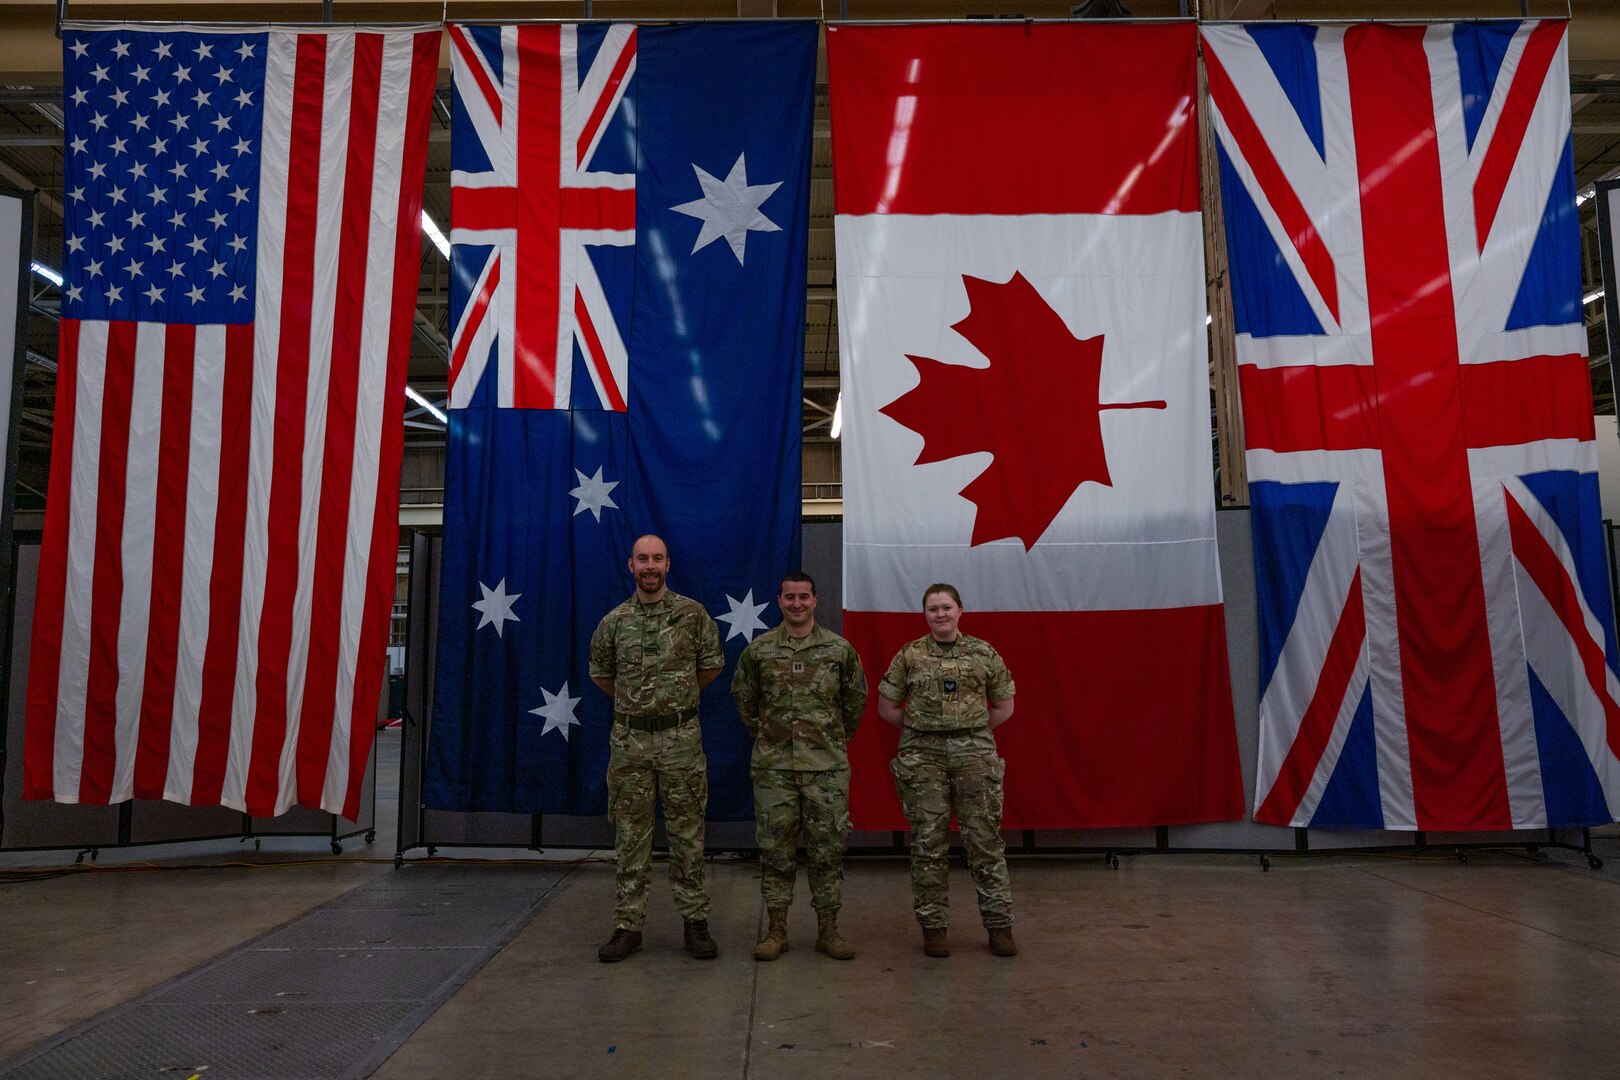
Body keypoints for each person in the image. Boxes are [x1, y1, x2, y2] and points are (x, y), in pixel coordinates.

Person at [589, 534, 725, 963]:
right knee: (631, 835)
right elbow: (602, 676)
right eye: (642, 559)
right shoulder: (613, 622)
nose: (650, 566)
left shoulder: (693, 615)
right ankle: (628, 926)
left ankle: (695, 922)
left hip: (680, 741)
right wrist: (641, 710)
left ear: (669, 564)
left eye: (657, 558)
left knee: (688, 833)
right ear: (630, 565)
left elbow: (711, 667)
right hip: (630, 744)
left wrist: (671, 707)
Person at [731, 572, 868, 962]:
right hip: (774, 770)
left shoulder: (839, 651)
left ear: (815, 600)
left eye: (803, 597)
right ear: (779, 601)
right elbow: (744, 699)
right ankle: (776, 931)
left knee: (828, 852)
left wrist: (829, 742)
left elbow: (854, 702)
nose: (796, 604)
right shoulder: (759, 652)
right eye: (789, 597)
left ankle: (828, 931)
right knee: (776, 852)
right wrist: (770, 738)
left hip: (826, 770)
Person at [876, 583, 1018, 958]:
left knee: (985, 842)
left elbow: (1004, 705)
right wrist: (927, 726)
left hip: (974, 754)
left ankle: (999, 926)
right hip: (923, 756)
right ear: (925, 614)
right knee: (928, 844)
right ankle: (933, 928)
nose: (940, 614)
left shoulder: (983, 652)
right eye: (933, 609)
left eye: (946, 607)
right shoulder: (910, 655)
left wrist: (969, 727)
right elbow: (888, 707)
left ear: (960, 610)